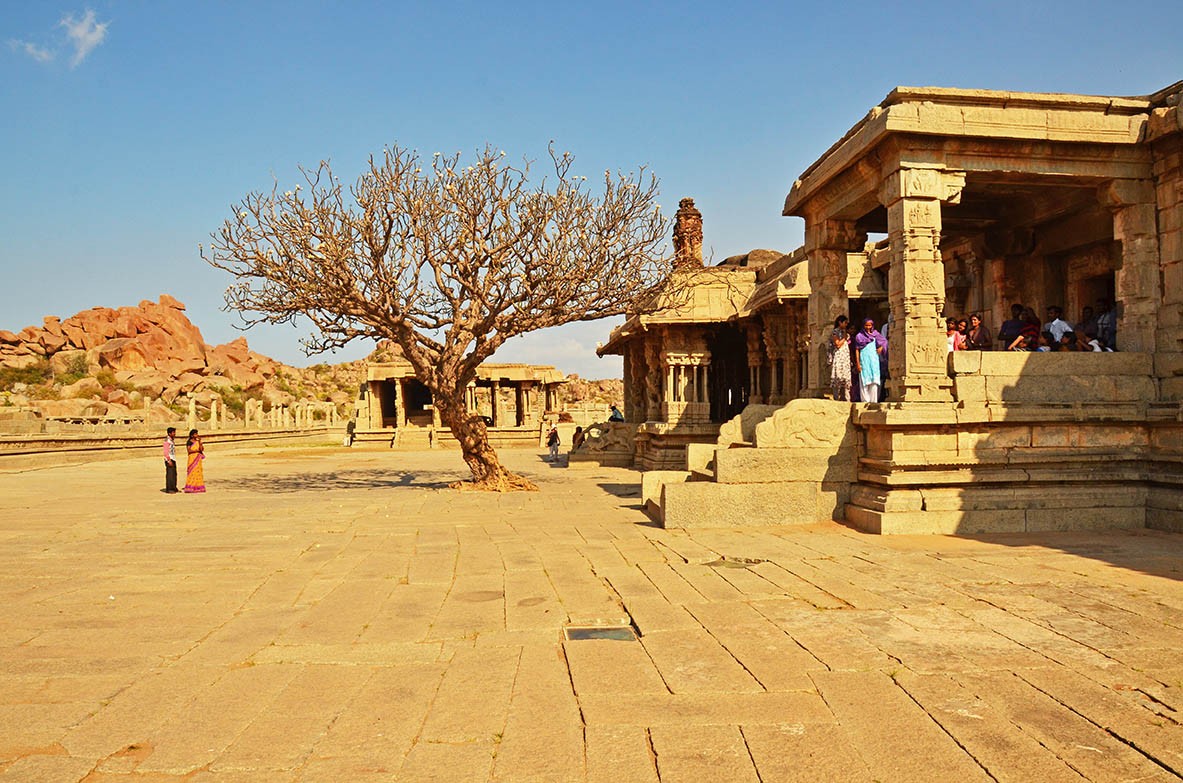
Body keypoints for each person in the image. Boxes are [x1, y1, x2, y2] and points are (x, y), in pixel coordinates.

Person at [853, 318, 887, 403]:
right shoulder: (859, 336)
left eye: (870, 325)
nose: (868, 327)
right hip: (864, 360)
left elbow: (884, 342)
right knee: (864, 380)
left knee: (874, 380)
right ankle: (865, 401)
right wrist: (858, 363)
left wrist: (881, 347)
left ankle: (874, 401)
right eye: (866, 325)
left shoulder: (876, 334)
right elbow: (857, 350)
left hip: (874, 360)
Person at [828, 315, 853, 401]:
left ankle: (846, 397)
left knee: (845, 378)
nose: (846, 324)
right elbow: (837, 344)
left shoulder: (845, 332)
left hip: (845, 356)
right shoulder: (835, 332)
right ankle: (836, 397)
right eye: (845, 322)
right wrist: (844, 338)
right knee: (837, 376)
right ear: (840, 322)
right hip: (838, 356)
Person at [183, 429, 206, 493]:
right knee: (192, 472)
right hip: (192, 458)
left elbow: (201, 449)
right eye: (195, 434)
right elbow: (189, 451)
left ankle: (198, 486)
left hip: (198, 459)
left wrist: (200, 442)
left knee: (198, 472)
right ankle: (191, 486)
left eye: (197, 433)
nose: (197, 435)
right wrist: (196, 451)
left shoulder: (198, 441)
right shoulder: (189, 442)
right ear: (192, 435)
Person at [162, 427, 178, 493]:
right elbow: (166, 452)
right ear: (169, 433)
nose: (174, 434)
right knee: (170, 475)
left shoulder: (172, 440)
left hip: (173, 458)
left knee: (174, 474)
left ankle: (174, 487)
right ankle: (169, 489)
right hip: (169, 459)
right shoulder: (167, 441)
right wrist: (168, 460)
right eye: (173, 432)